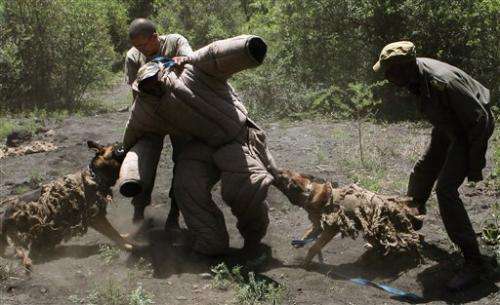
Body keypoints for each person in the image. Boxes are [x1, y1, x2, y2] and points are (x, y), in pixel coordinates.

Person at [121, 35, 275, 258]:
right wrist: (122, 150)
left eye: (154, 81)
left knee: (246, 189)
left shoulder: (192, 70)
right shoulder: (147, 106)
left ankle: (253, 244)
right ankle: (211, 243)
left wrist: (247, 48)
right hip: (201, 146)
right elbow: (134, 130)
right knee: (187, 187)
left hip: (237, 135)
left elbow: (217, 54)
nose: (152, 87)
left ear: (162, 73)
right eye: (146, 86)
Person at [373, 41, 495, 291]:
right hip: (449, 125)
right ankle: (409, 227)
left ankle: (474, 263)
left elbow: (479, 120)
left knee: (446, 190)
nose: (387, 78)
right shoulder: (416, 77)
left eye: (389, 73)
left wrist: (474, 164)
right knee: (422, 172)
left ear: (404, 69)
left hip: (469, 129)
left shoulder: (442, 81)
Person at [124, 18, 192, 227]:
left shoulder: (175, 42)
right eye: (137, 46)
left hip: (178, 113)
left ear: (155, 37)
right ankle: (138, 212)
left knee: (183, 162)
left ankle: (174, 212)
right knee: (144, 162)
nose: (142, 50)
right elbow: (135, 92)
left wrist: (182, 60)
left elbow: (193, 61)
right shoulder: (133, 56)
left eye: (145, 45)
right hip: (151, 115)